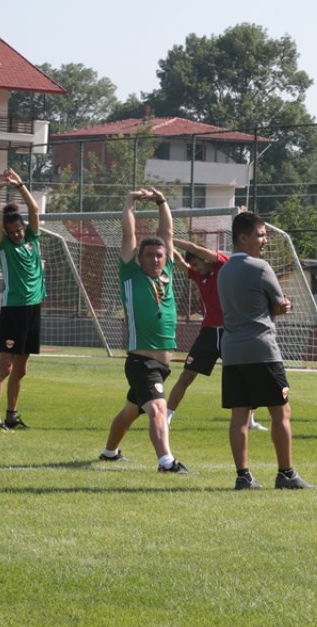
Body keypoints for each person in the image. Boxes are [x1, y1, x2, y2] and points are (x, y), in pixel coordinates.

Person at [219, 211, 315, 490]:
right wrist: (283, 306)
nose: (264, 241)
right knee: (281, 413)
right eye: (260, 235)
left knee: (239, 416)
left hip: (232, 352)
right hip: (262, 350)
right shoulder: (260, 268)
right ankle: (286, 474)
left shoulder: (223, 271)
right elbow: (278, 304)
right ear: (243, 238)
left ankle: (243, 477)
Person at [97, 188, 188, 473]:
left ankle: (109, 452)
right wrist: (129, 201)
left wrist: (162, 201)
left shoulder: (168, 272)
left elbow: (168, 232)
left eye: (160, 255)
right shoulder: (130, 273)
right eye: (149, 255)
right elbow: (128, 235)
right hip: (141, 362)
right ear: (139, 258)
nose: (156, 259)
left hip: (161, 365)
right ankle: (167, 462)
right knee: (158, 409)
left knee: (129, 412)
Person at [164, 226, 264, 432]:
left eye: (197, 264)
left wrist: (172, 239)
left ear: (206, 260)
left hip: (231, 333)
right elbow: (181, 263)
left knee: (243, 376)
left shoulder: (221, 266)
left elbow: (194, 248)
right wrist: (166, 243)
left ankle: (250, 420)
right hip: (209, 334)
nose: (195, 268)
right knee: (187, 376)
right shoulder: (198, 276)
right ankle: (166, 416)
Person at [0, 168, 43, 430]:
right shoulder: (4, 245)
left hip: (33, 309)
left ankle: (12, 414)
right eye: (13, 231)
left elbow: (34, 210)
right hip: (14, 310)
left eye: (19, 229)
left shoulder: (32, 237)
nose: (17, 233)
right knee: (6, 366)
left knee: (21, 369)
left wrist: (20, 184)